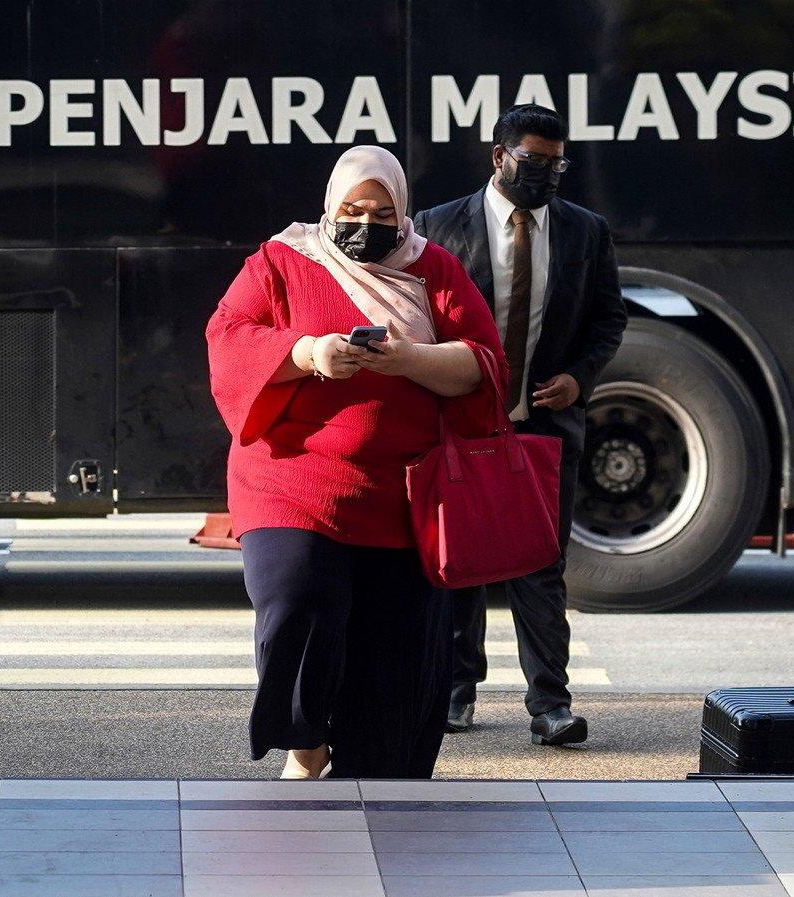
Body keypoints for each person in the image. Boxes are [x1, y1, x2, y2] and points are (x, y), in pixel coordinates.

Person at [205, 145, 506, 779]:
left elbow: (482, 363)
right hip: (291, 481)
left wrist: (407, 359)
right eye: (351, 209)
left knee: (392, 663)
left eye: (381, 212)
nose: (364, 223)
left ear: (402, 216)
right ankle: (305, 740)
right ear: (328, 207)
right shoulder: (281, 261)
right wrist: (309, 352)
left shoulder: (435, 270)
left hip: (405, 499)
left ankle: (373, 781)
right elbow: (230, 337)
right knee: (297, 596)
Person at [414, 104, 627, 746]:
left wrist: (579, 379)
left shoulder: (586, 231)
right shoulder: (438, 226)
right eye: (533, 162)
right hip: (461, 424)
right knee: (461, 562)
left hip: (543, 422)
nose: (547, 175)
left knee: (540, 562)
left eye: (557, 163)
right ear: (499, 156)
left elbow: (607, 319)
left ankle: (550, 704)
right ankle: (455, 692)